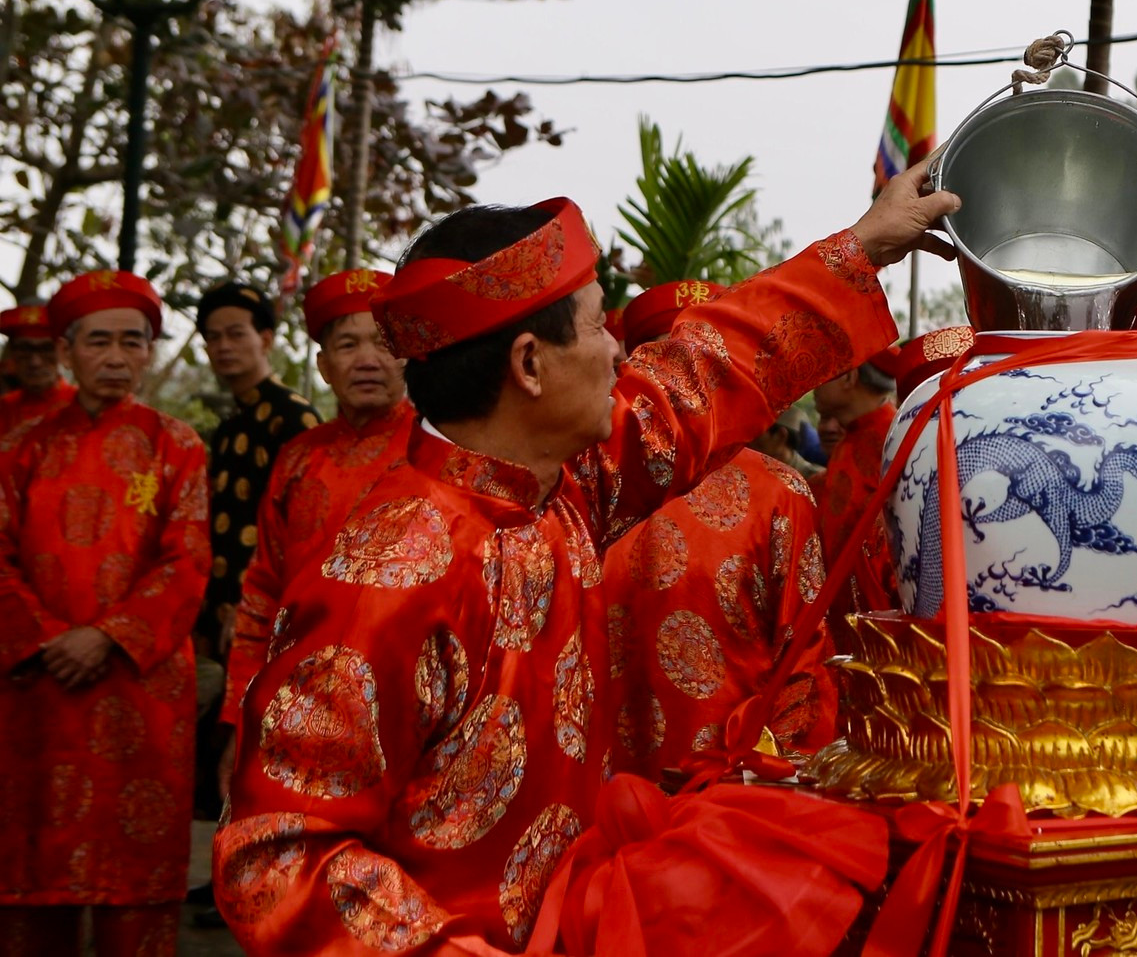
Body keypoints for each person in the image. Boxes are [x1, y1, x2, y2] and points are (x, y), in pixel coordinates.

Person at [216, 175, 952, 954]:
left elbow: (696, 378)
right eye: (600, 328)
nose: (617, 353)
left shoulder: (558, 493)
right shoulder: (390, 575)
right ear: (530, 365)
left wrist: (866, 243)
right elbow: (275, 853)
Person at [0, 271, 212, 957]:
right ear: (67, 351)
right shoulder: (18, 449)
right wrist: (45, 637)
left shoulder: (176, 445)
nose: (117, 356)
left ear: (150, 352)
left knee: (136, 895)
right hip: (38, 689)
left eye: (133, 341)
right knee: (31, 892)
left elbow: (188, 562)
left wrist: (107, 636)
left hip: (137, 690)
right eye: (99, 342)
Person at [602, 278, 836, 776]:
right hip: (721, 800)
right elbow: (805, 664)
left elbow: (804, 663)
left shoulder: (583, 480)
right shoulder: (782, 489)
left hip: (713, 793)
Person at [221, 270, 414, 746]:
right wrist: (238, 716)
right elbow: (263, 588)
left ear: (410, 358)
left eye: (383, 344)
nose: (367, 360)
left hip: (407, 695)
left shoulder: (440, 446)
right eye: (348, 346)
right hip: (295, 696)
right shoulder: (299, 457)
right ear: (325, 366)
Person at [196, 281, 320, 657]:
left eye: (236, 334)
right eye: (214, 338)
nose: (224, 346)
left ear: (265, 340)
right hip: (221, 608)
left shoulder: (293, 417)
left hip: (268, 612)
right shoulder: (230, 426)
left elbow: (305, 529)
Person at [812, 348, 900, 613]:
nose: (814, 384)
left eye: (823, 373)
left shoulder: (896, 437)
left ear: (849, 378)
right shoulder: (851, 439)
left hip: (884, 622)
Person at [0, 304, 74, 449]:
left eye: (46, 349)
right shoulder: (4, 408)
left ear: (62, 352)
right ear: (13, 354)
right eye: (25, 350)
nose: (35, 362)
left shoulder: (81, 406)